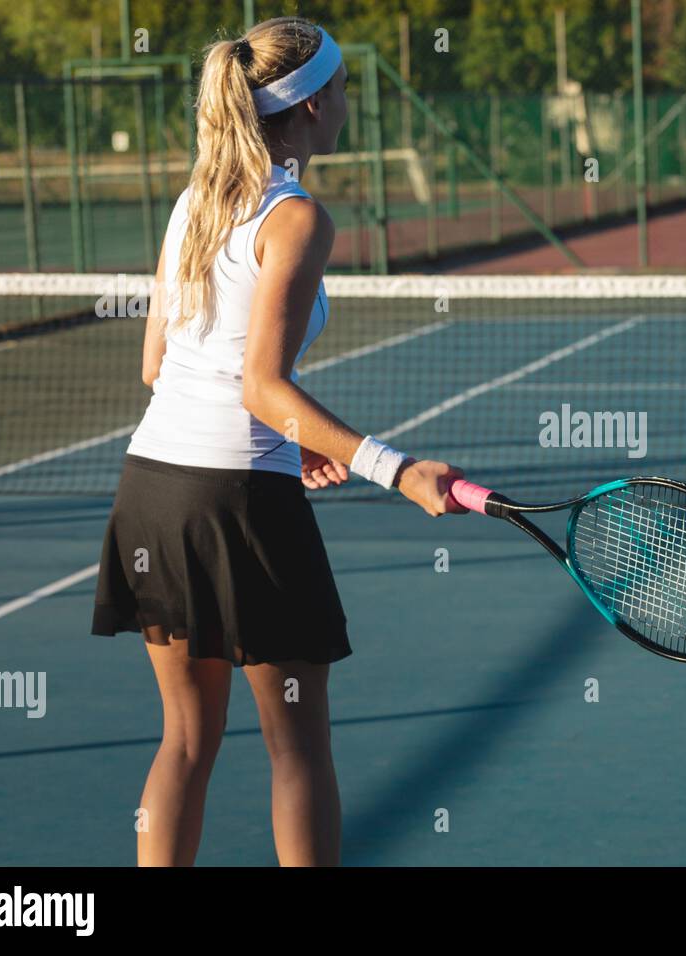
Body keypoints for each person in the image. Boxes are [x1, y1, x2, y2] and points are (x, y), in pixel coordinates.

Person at [91, 17, 467, 866]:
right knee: (297, 749)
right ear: (307, 109)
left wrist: (286, 435)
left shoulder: (196, 199)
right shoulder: (295, 218)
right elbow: (261, 385)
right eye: (338, 88)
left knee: (185, 741)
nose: (347, 102)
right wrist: (396, 471)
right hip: (238, 507)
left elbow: (158, 364)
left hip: (152, 490)